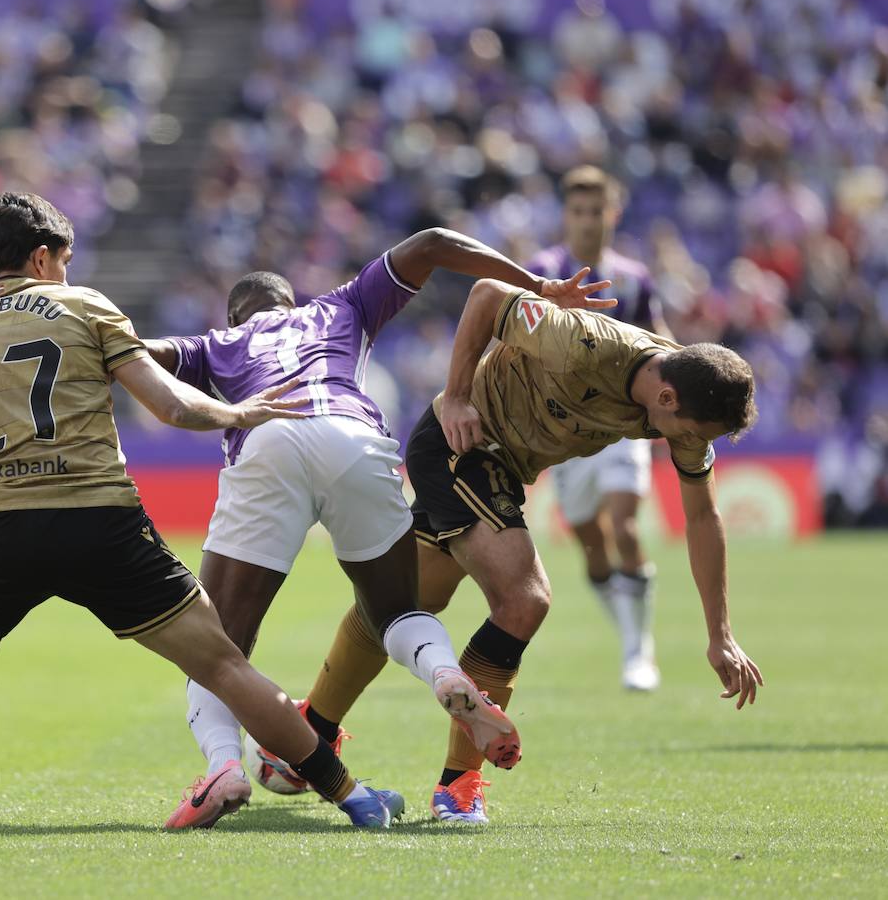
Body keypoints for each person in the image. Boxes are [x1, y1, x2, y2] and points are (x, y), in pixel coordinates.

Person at [0, 192, 404, 832]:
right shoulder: (83, 306)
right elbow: (171, 408)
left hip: (1, 531)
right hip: (102, 523)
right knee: (225, 664)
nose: (67, 272)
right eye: (63, 258)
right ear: (39, 258)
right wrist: (240, 411)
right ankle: (355, 798)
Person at [143, 228, 614, 829]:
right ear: (291, 303)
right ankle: (446, 675)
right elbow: (433, 243)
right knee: (395, 612)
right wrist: (539, 285)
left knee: (217, 646)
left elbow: (128, 354)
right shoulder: (340, 306)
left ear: (234, 315)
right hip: (353, 436)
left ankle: (222, 766)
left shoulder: (215, 343)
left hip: (266, 440)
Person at [296, 276, 765, 824]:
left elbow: (704, 517)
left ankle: (309, 736)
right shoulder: (586, 341)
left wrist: (721, 635)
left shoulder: (683, 405)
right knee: (525, 599)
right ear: (667, 398)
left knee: (402, 603)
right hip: (461, 444)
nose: (691, 443)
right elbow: (485, 295)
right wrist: (458, 397)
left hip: (500, 468)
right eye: (693, 431)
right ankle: (458, 785)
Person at [530, 166, 672, 691]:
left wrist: (688, 372)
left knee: (626, 524)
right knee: (591, 541)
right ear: (567, 216)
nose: (589, 222)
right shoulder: (542, 269)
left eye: (597, 211)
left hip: (621, 425)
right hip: (566, 432)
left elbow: (657, 338)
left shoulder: (634, 277)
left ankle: (639, 652)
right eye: (579, 211)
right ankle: (630, 635)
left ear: (613, 214)